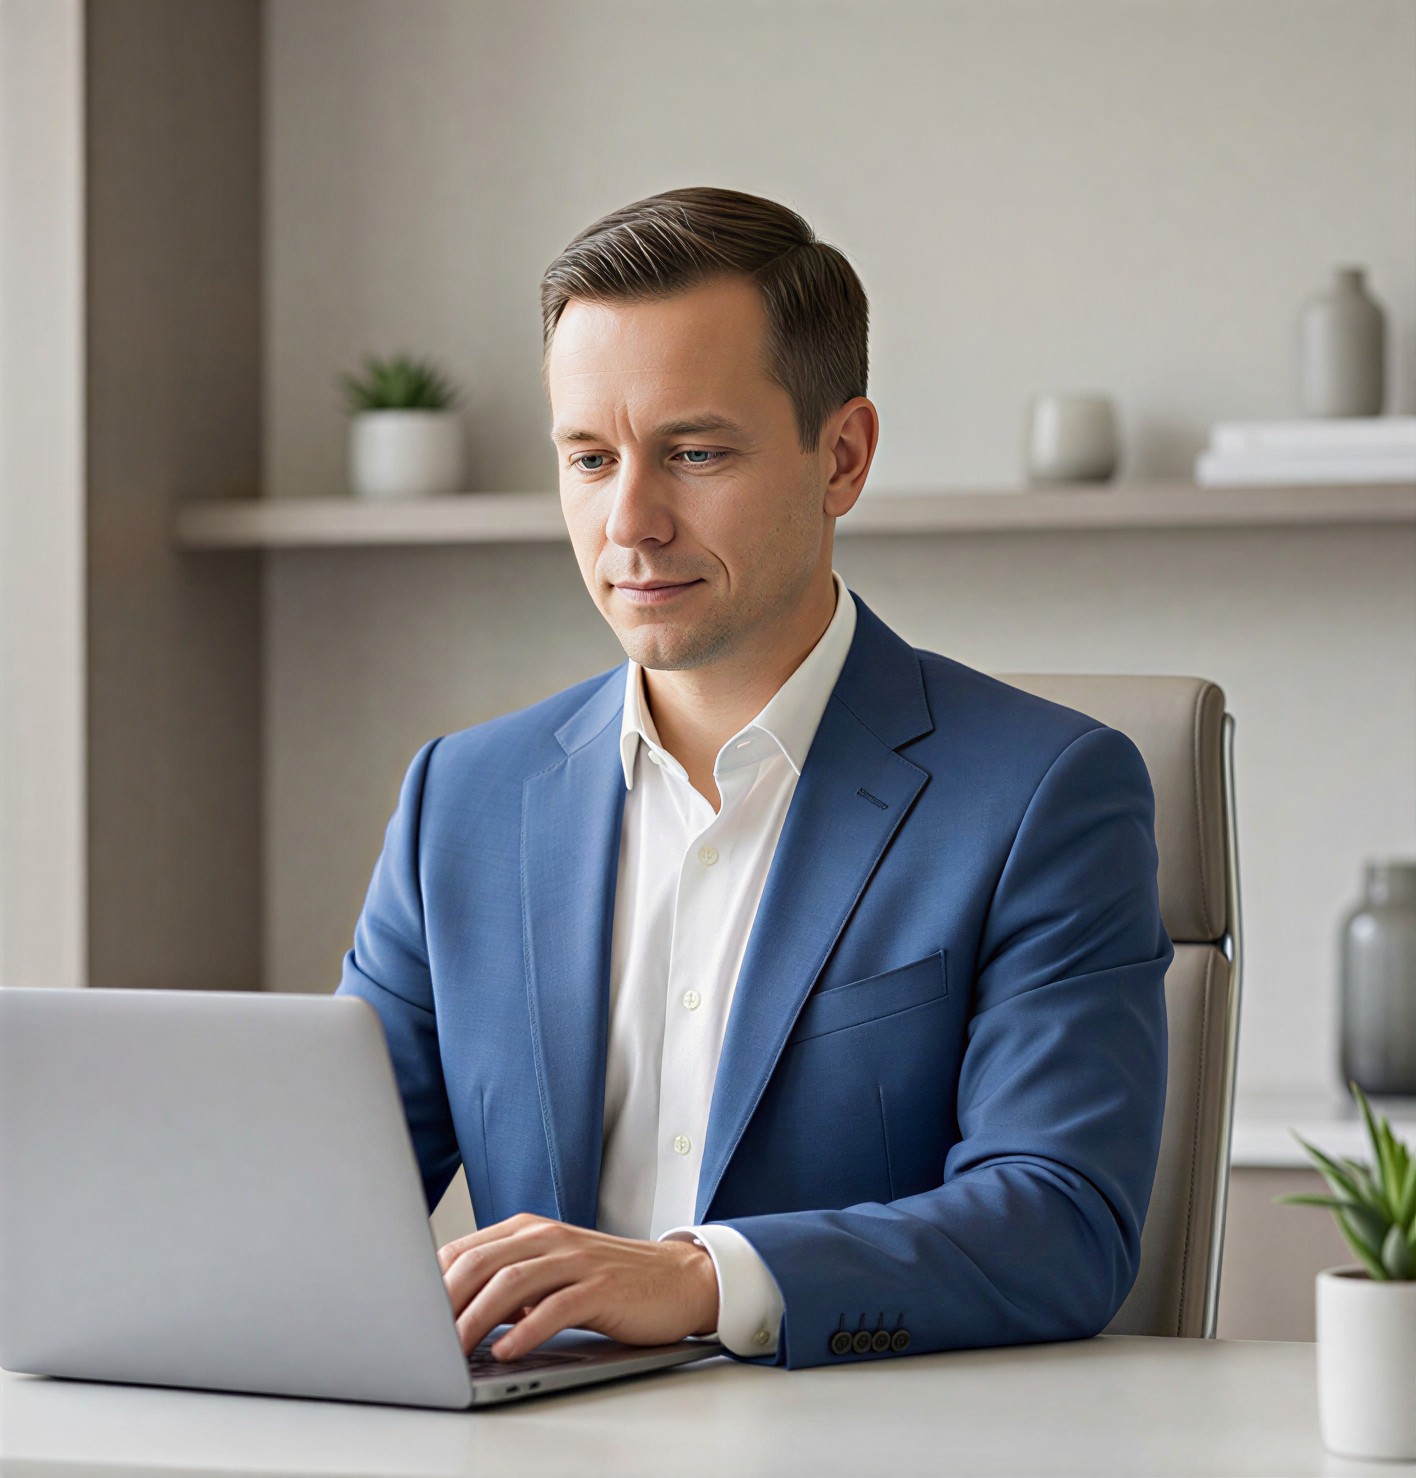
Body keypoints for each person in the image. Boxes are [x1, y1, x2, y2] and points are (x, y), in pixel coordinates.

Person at [335, 185, 1173, 1371]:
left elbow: (1061, 1221)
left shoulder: (1046, 792)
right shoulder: (460, 801)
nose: (630, 521)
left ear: (843, 457)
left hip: (863, 1439)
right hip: (528, 1437)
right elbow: (322, 1192)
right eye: (590, 457)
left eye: (694, 452)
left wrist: (699, 1277)